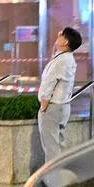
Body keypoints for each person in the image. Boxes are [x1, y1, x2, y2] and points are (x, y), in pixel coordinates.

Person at [38, 27, 82, 162]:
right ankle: (60, 177)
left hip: (52, 107)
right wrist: (59, 40)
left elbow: (49, 83)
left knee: (51, 149)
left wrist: (44, 105)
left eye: (62, 36)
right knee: (58, 145)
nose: (59, 36)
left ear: (66, 43)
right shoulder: (67, 58)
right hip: (63, 106)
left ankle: (53, 180)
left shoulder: (61, 61)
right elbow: (55, 55)